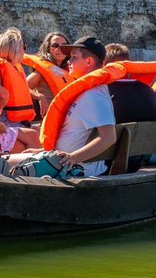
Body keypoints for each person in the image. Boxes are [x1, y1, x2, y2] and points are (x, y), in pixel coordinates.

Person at [35, 36, 118, 177]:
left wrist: (73, 158)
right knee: (6, 161)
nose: (69, 61)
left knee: (0, 165)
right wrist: (43, 152)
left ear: (88, 61)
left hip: (74, 169)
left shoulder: (95, 95)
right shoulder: (87, 92)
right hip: (60, 161)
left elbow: (109, 137)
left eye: (74, 57)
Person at [103, 43, 156, 172]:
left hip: (109, 162)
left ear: (105, 65)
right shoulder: (149, 92)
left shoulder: (102, 93)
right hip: (140, 159)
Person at [25, 31, 70, 115]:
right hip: (51, 118)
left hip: (67, 116)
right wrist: (39, 96)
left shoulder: (70, 70)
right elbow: (22, 87)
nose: (59, 49)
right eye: (55, 45)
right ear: (48, 48)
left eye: (64, 46)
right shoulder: (41, 73)